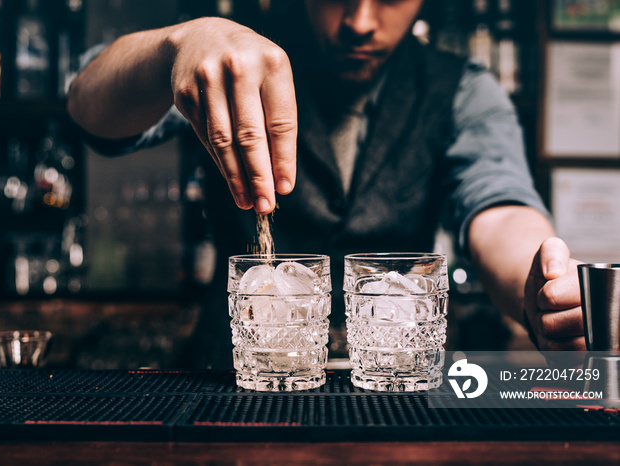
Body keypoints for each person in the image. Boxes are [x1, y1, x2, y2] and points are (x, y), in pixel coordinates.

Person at [68, 0, 585, 368]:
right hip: (232, 383)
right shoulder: (230, 58)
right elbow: (87, 105)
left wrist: (540, 288)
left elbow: (499, 209)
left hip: (396, 386)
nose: (360, 21)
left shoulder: (465, 91)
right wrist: (174, 46)